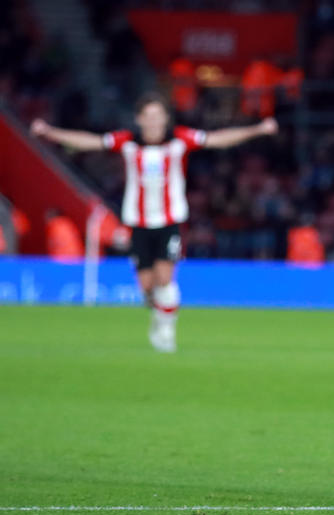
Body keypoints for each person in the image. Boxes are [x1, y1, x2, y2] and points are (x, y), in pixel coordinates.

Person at [31, 92, 278, 352]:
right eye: (148, 116)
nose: (153, 122)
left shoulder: (180, 139)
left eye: (158, 116)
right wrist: (50, 132)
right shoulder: (127, 142)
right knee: (147, 288)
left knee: (164, 278)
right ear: (139, 119)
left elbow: (218, 140)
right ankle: (158, 315)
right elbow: (89, 142)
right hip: (138, 223)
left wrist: (258, 129)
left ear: (165, 118)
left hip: (169, 222)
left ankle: (167, 331)